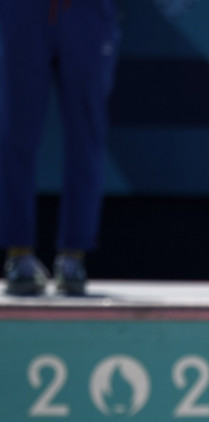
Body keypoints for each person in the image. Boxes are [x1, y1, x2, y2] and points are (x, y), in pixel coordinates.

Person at [0, 0, 120, 295]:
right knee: (15, 136)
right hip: (23, 10)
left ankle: (73, 256)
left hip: (87, 11)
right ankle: (18, 254)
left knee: (86, 138)